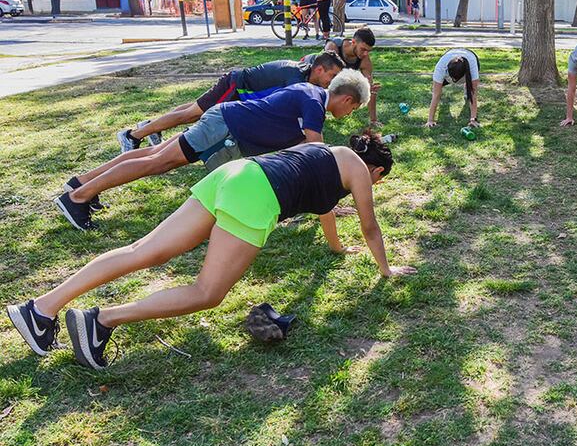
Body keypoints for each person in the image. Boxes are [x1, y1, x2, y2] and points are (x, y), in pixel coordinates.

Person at [8, 133, 416, 371]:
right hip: (257, 195)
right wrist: (386, 270)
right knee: (207, 292)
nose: (372, 186)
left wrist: (336, 247)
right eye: (377, 181)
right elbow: (370, 226)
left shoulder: (328, 152)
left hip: (235, 174)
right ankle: (100, 321)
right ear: (377, 171)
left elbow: (323, 207)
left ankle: (41, 309)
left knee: (144, 250)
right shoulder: (359, 171)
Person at [56, 70, 372, 231]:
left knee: (154, 155)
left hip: (224, 122)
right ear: (347, 99)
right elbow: (315, 157)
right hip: (225, 129)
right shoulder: (314, 104)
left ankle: (81, 183)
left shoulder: (310, 92)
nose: (349, 114)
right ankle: (78, 198)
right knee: (158, 162)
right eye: (354, 109)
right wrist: (328, 203)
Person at [116, 51, 346, 153]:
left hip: (238, 93)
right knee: (193, 114)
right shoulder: (296, 79)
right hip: (236, 88)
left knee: (192, 109)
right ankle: (132, 136)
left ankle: (149, 126)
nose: (332, 82)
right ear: (319, 69)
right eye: (332, 76)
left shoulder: (304, 74)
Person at [325, 28, 379, 125]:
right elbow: (323, 78)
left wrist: (373, 120)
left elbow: (370, 89)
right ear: (353, 42)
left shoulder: (364, 58)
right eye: (363, 49)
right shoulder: (333, 47)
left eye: (368, 51)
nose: (365, 54)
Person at [425, 48, 480, 128]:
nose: (454, 82)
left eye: (456, 80)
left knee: (469, 91)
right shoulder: (441, 67)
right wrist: (430, 120)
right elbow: (436, 95)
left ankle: (466, 90)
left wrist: (473, 119)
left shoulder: (472, 68)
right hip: (450, 57)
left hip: (470, 57)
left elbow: (473, 94)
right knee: (437, 90)